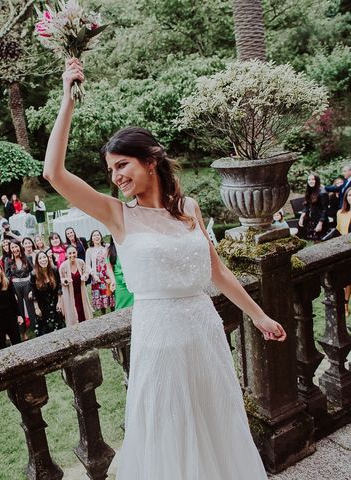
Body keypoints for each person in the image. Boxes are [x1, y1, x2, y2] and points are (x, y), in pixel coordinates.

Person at [41, 58, 285, 479]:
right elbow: (54, 173)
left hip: (204, 333)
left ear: (150, 161)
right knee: (169, 433)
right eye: (111, 170)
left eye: (123, 165)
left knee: (216, 425)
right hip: (159, 339)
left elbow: (218, 272)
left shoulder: (188, 208)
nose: (116, 176)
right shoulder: (119, 216)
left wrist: (259, 315)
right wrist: (67, 99)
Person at [4, 241, 37, 338]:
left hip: (27, 284)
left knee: (30, 307)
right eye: (12, 247)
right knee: (19, 309)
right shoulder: (8, 260)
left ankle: (35, 328)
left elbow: (33, 272)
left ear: (20, 247)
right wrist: (12, 292)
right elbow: (7, 276)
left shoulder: (27, 258)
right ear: (10, 249)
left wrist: (32, 288)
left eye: (16, 247)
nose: (15, 249)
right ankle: (23, 333)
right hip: (15, 286)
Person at [30, 251, 65, 335]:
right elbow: (34, 293)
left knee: (59, 327)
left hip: (55, 303)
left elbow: (59, 287)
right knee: (45, 329)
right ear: (37, 261)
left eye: (44, 257)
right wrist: (36, 308)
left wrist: (60, 302)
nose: (43, 260)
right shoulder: (33, 274)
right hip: (42, 305)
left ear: (48, 258)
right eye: (40, 258)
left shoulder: (54, 270)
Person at [58, 245, 93, 325]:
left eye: (74, 252)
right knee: (73, 310)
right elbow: (61, 279)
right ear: (66, 255)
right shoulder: (63, 266)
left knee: (83, 310)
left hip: (81, 291)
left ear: (77, 253)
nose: (72, 255)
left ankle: (86, 324)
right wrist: (66, 280)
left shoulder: (81, 262)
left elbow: (86, 272)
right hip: (70, 293)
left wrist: (84, 276)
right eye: (69, 253)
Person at [85, 230, 115, 314]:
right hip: (97, 277)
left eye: (98, 235)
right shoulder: (89, 250)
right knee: (101, 298)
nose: (96, 237)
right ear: (92, 239)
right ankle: (103, 314)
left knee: (110, 295)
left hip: (108, 275)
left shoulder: (107, 247)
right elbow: (87, 265)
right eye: (94, 235)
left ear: (101, 237)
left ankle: (113, 313)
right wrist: (93, 275)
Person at [299, 174, 329, 241]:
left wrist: (320, 223)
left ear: (317, 180)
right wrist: (302, 217)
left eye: (313, 179)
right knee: (314, 239)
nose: (310, 181)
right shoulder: (310, 190)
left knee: (321, 240)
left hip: (320, 220)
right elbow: (307, 205)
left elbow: (325, 210)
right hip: (312, 218)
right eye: (309, 179)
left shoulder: (323, 193)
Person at [107, 238, 134, 310]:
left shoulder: (129, 247)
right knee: (120, 306)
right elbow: (109, 268)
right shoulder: (110, 250)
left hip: (132, 281)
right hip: (119, 284)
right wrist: (113, 281)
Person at [336, 188, 351, 315]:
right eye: (350, 195)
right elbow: (339, 231)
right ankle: (345, 304)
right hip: (346, 250)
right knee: (347, 280)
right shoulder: (341, 213)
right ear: (346, 197)